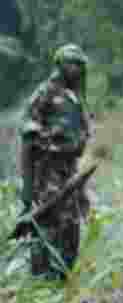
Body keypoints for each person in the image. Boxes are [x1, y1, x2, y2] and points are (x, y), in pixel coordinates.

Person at [20, 43, 93, 280]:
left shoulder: (75, 96)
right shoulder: (45, 93)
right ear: (60, 64)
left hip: (69, 170)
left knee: (71, 228)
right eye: (71, 63)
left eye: (79, 64)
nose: (76, 69)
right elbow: (27, 140)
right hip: (47, 171)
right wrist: (28, 188)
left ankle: (62, 281)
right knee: (46, 227)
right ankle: (40, 282)